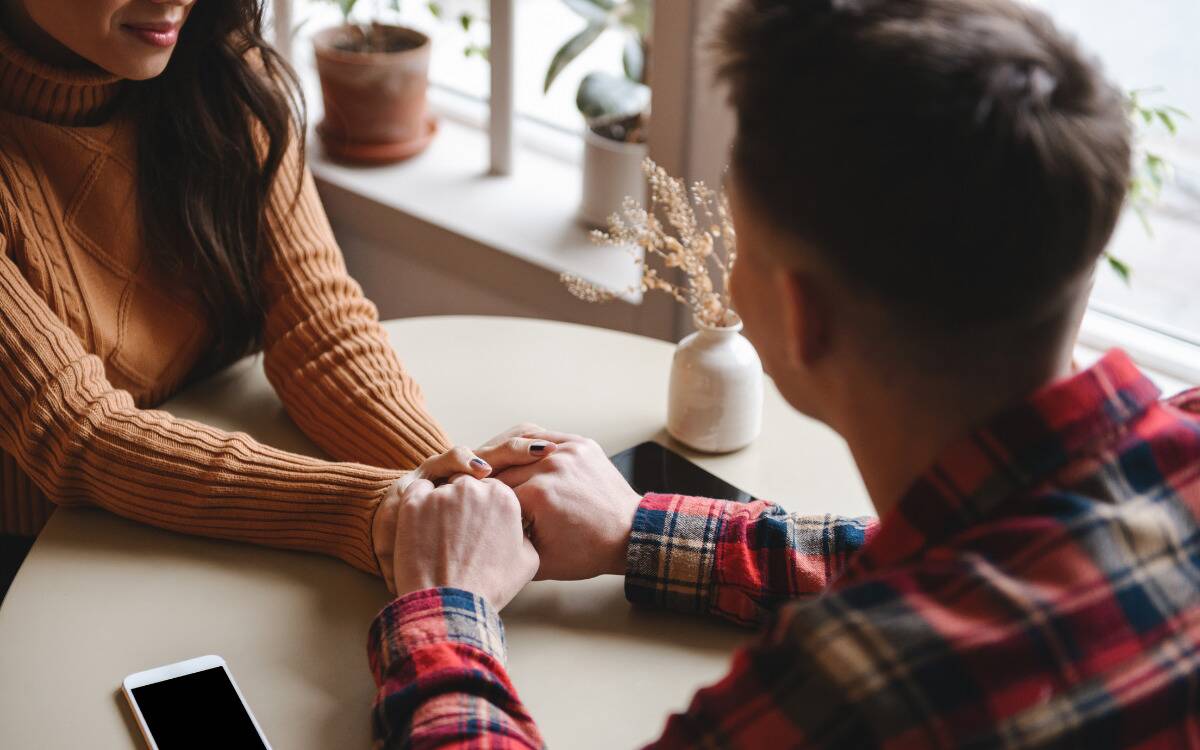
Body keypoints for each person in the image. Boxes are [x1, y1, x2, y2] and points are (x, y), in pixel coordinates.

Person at [365, 0, 1200, 746]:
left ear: (800, 316)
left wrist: (447, 610)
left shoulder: (854, 687)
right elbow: (994, 551)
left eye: (741, 250)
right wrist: (640, 532)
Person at [0, 0, 554, 604]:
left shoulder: (219, 68)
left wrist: (454, 483)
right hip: (45, 566)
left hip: (223, 513)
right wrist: (376, 510)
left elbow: (320, 332)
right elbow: (75, 433)